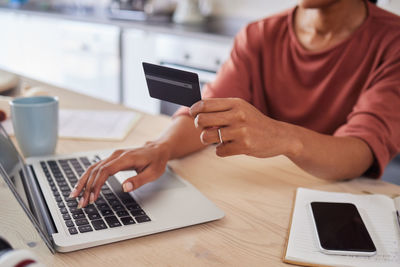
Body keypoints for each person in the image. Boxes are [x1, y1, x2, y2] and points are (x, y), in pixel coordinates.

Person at [71, 0, 400, 209]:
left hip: (338, 205)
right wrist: (160, 148)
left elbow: (360, 151)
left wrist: (284, 136)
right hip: (266, 198)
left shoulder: (393, 41)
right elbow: (206, 112)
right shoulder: (259, 35)